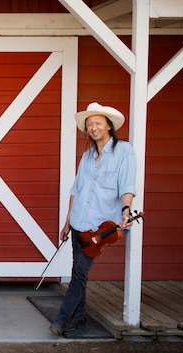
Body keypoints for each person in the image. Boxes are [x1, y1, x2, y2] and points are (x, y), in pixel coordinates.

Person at [49, 102, 137, 336]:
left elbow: (127, 185)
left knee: (79, 272)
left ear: (108, 126)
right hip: (78, 222)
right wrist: (67, 222)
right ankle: (78, 317)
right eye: (90, 125)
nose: (94, 128)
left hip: (100, 227)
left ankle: (62, 319)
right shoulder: (87, 156)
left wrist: (127, 210)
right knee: (79, 271)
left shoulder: (124, 151)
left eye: (98, 123)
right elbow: (76, 191)